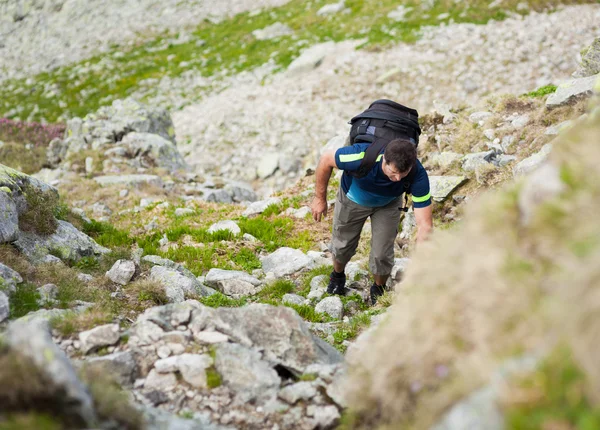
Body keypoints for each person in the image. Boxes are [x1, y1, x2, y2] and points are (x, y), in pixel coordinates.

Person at [311, 138, 433, 305]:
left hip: (388, 204)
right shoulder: (361, 155)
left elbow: (425, 224)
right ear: (384, 159)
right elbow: (326, 160)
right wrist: (319, 199)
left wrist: (423, 244)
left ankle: (378, 287)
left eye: (402, 174)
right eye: (393, 172)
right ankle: (337, 275)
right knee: (342, 245)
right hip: (352, 199)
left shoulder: (417, 173)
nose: (397, 178)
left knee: (381, 253)